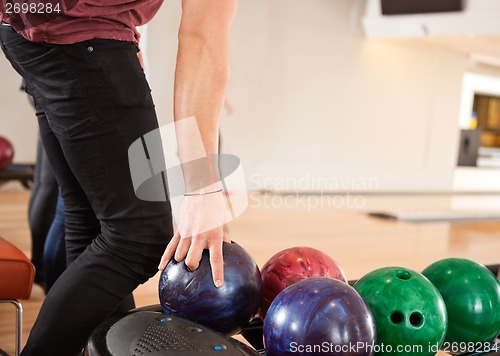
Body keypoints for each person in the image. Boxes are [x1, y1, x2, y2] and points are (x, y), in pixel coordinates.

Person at [0, 0, 237, 354]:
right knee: (138, 237)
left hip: (28, 32)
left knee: (94, 220)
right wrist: (202, 189)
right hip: (77, 37)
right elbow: (202, 40)